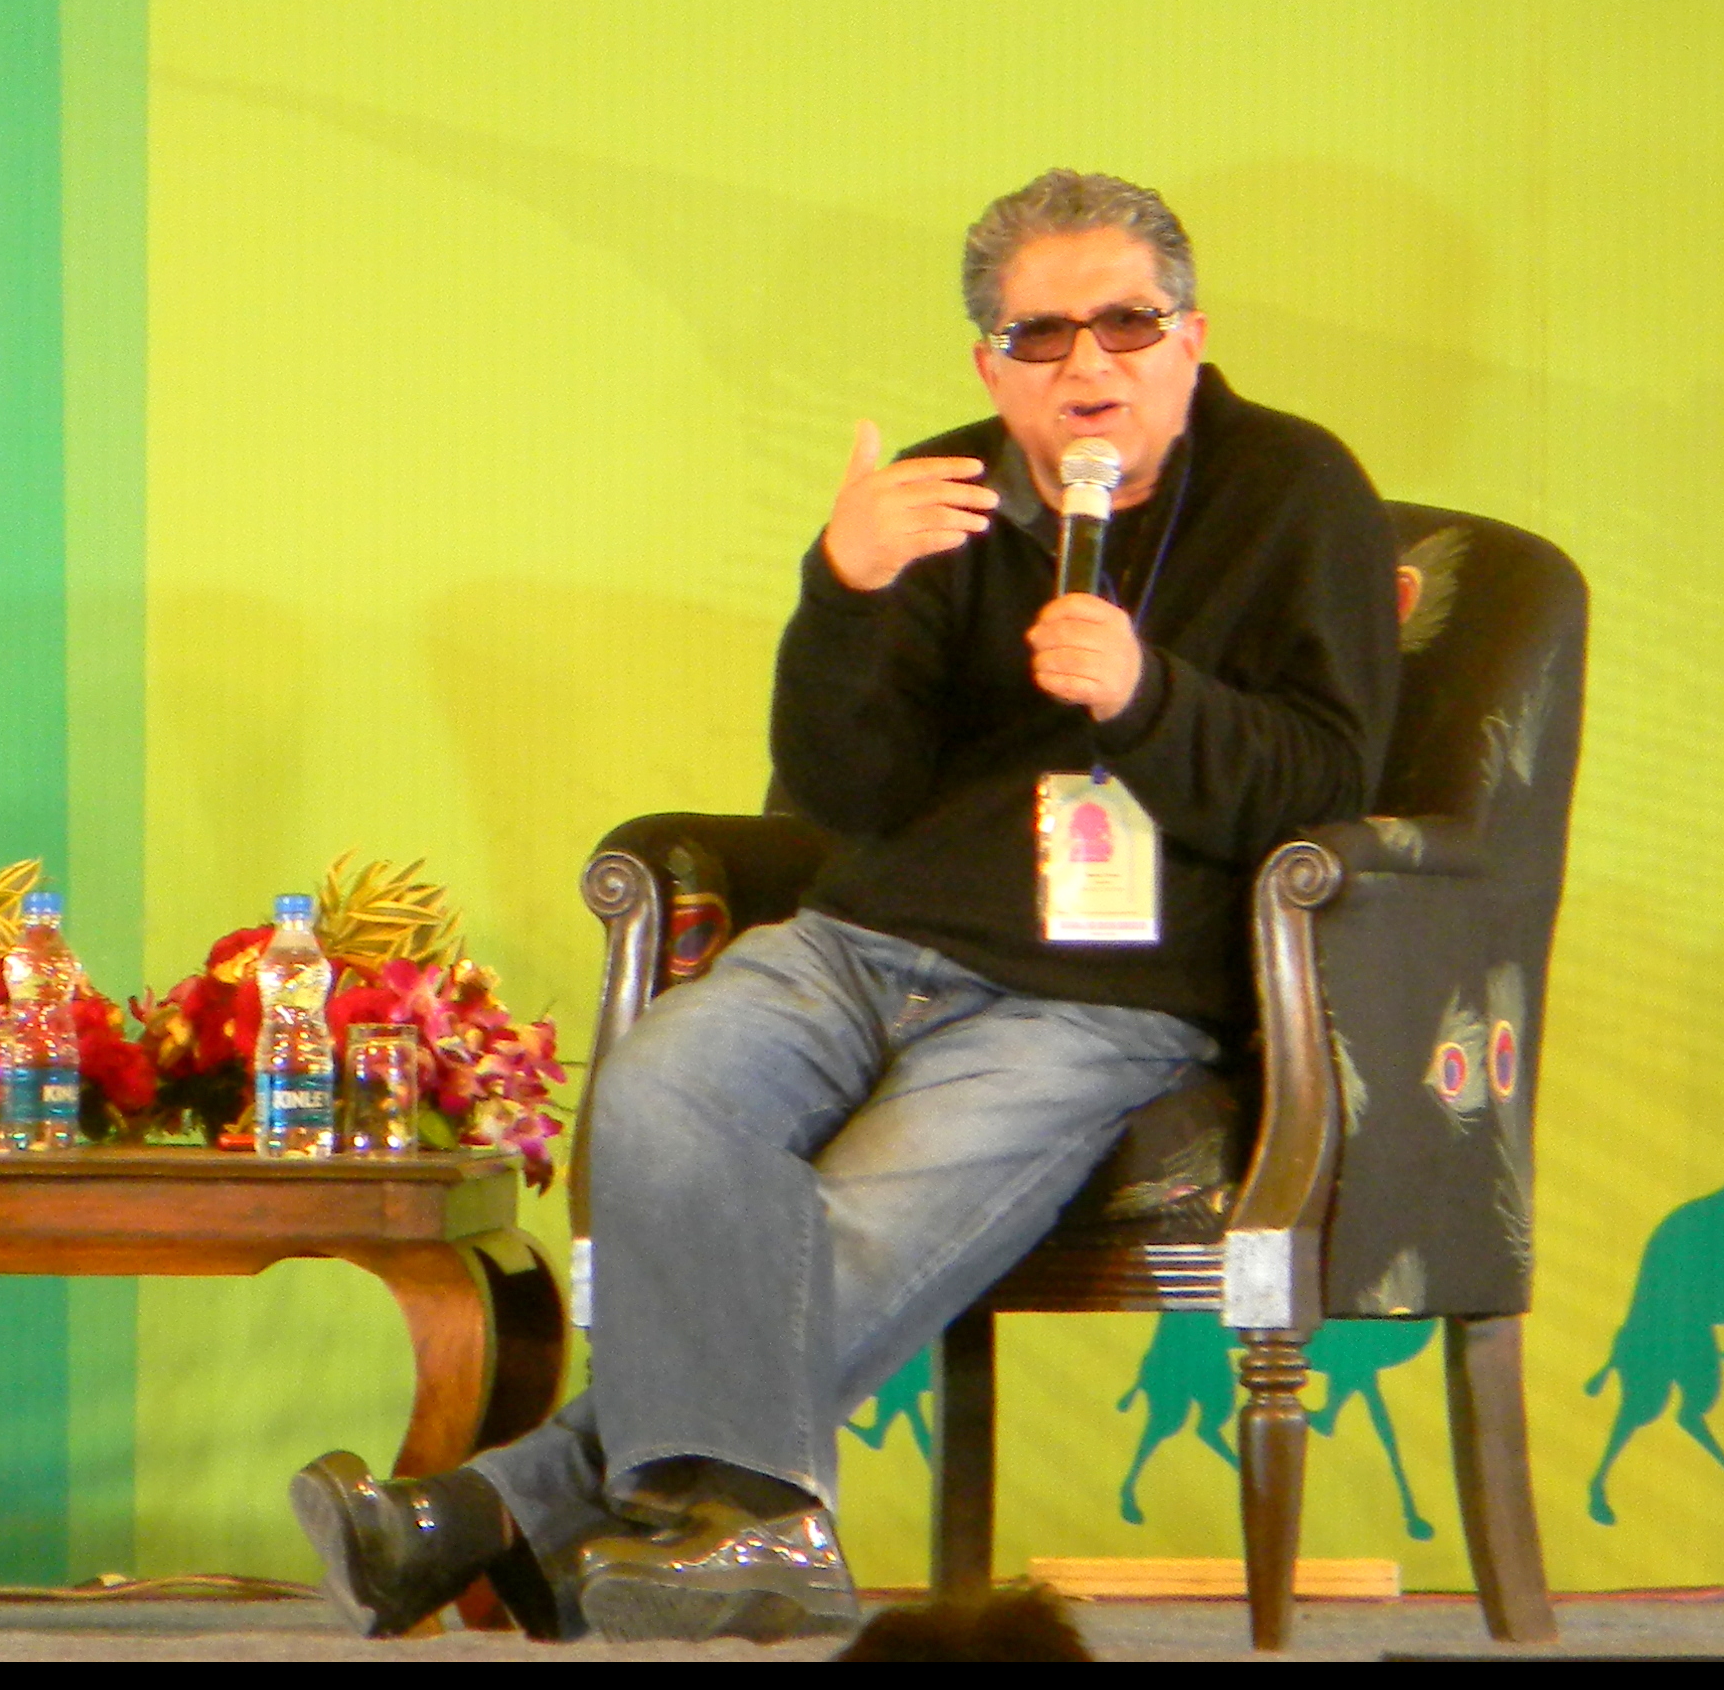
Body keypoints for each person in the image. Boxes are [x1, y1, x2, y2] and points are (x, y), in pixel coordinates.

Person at [291, 169, 1401, 1642]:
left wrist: (1144, 695)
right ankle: (689, 1529)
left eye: (1124, 325)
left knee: (833, 1232)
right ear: (985, 363)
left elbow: (1323, 775)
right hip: (857, 939)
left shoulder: (1293, 490)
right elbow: (838, 789)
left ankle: (498, 1511)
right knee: (662, 1085)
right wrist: (842, 585)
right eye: (1039, 334)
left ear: (1190, 336)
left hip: (1094, 994)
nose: (1085, 367)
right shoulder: (938, 496)